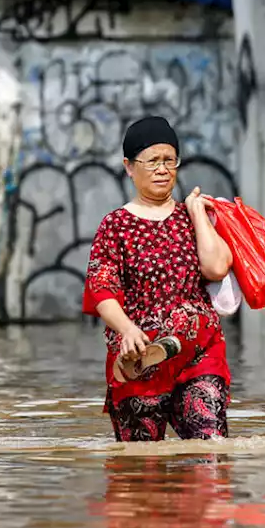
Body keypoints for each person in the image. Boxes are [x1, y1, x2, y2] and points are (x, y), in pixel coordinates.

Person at [83, 116, 234, 441]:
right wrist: (126, 329)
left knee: (210, 452)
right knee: (140, 471)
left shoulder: (194, 216)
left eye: (170, 160)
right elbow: (102, 289)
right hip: (139, 358)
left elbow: (218, 267)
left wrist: (196, 215)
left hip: (198, 353)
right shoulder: (115, 226)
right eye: (152, 161)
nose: (163, 169)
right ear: (129, 166)